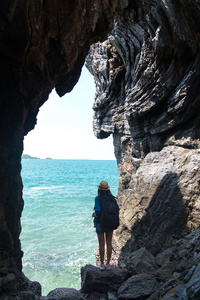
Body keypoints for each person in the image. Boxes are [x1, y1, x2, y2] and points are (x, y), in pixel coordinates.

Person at [92, 180, 119, 270]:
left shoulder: (98, 198)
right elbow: (117, 209)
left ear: (99, 189)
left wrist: (94, 214)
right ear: (108, 189)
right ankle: (108, 264)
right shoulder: (112, 198)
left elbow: (98, 210)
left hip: (100, 223)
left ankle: (102, 264)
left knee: (101, 243)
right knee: (109, 243)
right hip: (110, 222)